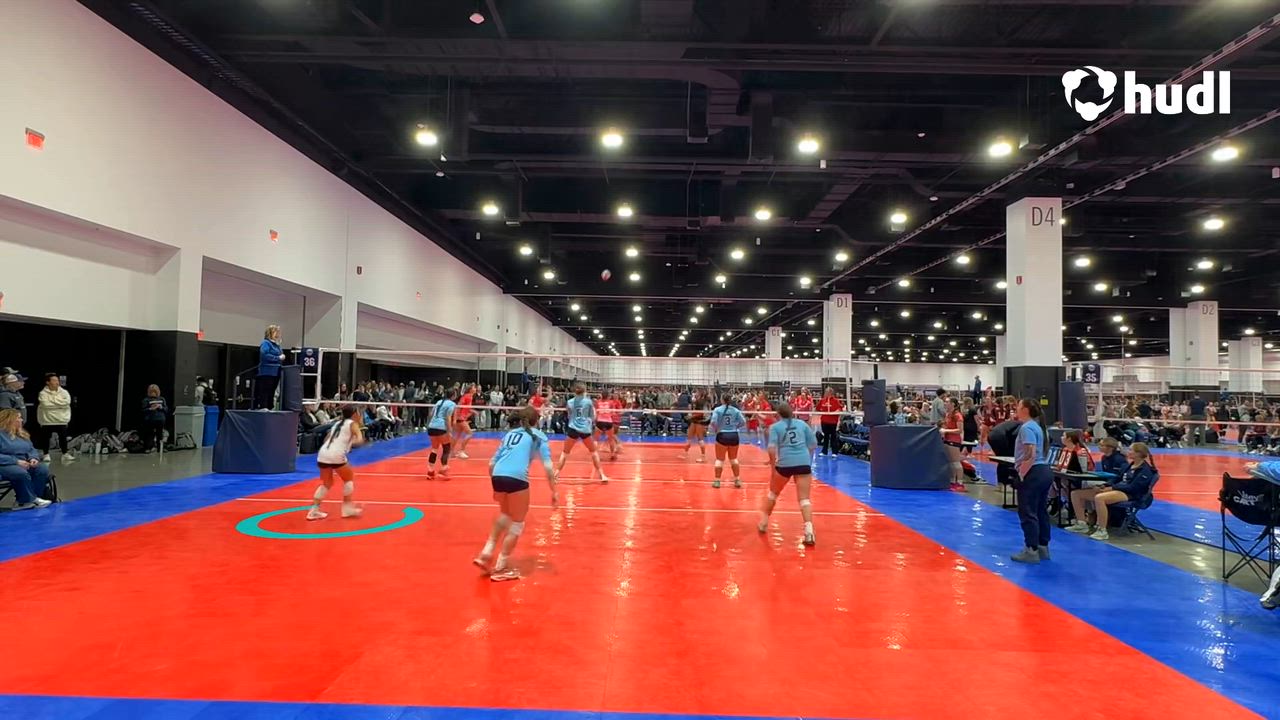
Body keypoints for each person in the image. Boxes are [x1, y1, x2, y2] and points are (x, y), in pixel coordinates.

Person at [474, 405, 558, 582]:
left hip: (497, 475)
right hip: (517, 478)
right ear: (536, 421)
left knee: (505, 514)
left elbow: (491, 463)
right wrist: (554, 491)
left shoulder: (510, 434)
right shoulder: (538, 436)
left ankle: (486, 552)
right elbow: (549, 467)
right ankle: (501, 567)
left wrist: (495, 486)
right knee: (517, 523)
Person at [1066, 442, 1157, 541]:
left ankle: (1102, 530)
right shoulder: (1130, 465)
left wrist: (1112, 488)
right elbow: (1117, 478)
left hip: (1131, 494)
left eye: (1131, 450)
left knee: (1099, 498)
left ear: (1138, 453)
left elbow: (1133, 488)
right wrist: (1104, 485)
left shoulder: (1145, 470)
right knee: (1076, 494)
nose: (1128, 451)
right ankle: (1082, 523)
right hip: (1119, 489)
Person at [760, 401, 819, 545]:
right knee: (804, 499)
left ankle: (763, 523)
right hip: (803, 463)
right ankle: (809, 532)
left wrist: (773, 467)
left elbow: (771, 448)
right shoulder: (802, 424)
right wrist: (805, 456)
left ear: (778, 414)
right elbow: (813, 444)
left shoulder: (775, 427)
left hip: (785, 464)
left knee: (773, 493)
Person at [1011, 398, 1053, 564]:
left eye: (1019, 406)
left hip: (1033, 472)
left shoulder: (1027, 428)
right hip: (1044, 470)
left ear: (1025, 409)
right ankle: (1043, 547)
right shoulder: (1040, 427)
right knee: (1041, 510)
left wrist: (1022, 473)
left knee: (1027, 511)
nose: (1016, 408)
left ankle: (1031, 549)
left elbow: (1030, 453)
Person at [307, 406, 365, 521]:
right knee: (348, 478)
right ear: (354, 414)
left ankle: (313, 511)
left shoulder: (337, 424)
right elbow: (359, 440)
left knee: (326, 483)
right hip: (336, 454)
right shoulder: (353, 424)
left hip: (323, 453)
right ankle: (347, 508)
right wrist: (349, 444)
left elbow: (326, 439)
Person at [0, 409, 52, 510]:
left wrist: (33, 458)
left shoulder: (22, 434)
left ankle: (34, 498)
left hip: (23, 462)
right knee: (20, 472)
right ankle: (25, 501)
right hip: (5, 464)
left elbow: (31, 449)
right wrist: (16, 461)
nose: (22, 420)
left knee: (41, 469)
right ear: (9, 420)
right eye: (19, 418)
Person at [556, 384, 609, 483]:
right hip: (585, 429)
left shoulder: (569, 402)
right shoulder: (588, 402)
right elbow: (592, 417)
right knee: (593, 452)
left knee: (565, 453)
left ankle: (556, 475)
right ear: (584, 391)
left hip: (573, 429)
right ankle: (602, 475)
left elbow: (569, 415)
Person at [708, 393, 747, 489]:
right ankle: (737, 480)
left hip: (722, 435)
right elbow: (743, 422)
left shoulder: (717, 410)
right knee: (733, 459)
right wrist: (736, 427)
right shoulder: (736, 410)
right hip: (734, 435)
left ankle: (717, 481)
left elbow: (713, 422)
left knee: (720, 459)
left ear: (722, 399)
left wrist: (716, 429)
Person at [36, 373, 75, 463]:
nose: (57, 382)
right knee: (46, 438)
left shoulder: (64, 392)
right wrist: (60, 404)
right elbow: (45, 404)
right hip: (47, 420)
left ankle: (65, 453)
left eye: (57, 380)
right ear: (48, 382)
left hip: (61, 419)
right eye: (54, 380)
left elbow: (67, 403)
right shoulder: (43, 393)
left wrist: (52, 400)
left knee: (63, 438)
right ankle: (46, 454)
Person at [426, 388, 457, 478]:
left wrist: (430, 424)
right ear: (453, 396)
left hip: (431, 427)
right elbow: (448, 418)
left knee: (434, 449)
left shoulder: (439, 402)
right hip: (441, 427)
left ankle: (430, 470)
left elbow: (431, 414)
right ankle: (444, 469)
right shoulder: (452, 404)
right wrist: (450, 431)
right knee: (446, 448)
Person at [254, 325, 284, 410]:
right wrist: (277, 358)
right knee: (265, 391)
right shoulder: (266, 343)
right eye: (276, 332)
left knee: (272, 391)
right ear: (270, 333)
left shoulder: (277, 345)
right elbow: (264, 355)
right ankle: (264, 407)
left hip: (276, 372)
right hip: (267, 372)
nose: (278, 334)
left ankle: (270, 408)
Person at [941, 397, 966, 491]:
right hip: (947, 440)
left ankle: (960, 483)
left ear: (953, 404)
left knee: (956, 462)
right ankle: (952, 481)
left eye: (947, 402)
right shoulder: (948, 414)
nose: (945, 403)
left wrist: (946, 430)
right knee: (951, 463)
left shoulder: (957, 415)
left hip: (954, 441)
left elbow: (960, 430)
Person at [682, 389, 711, 462]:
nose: (695, 393)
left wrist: (691, 416)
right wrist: (691, 415)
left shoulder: (702, 402)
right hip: (694, 421)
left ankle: (703, 456)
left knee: (700, 438)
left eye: (697, 392)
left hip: (700, 421)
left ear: (701, 394)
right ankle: (685, 453)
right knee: (689, 436)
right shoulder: (697, 401)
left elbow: (701, 413)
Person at [816, 386, 845, 458]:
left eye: (827, 392)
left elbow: (840, 409)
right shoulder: (823, 400)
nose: (825, 393)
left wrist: (836, 412)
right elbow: (817, 408)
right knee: (825, 436)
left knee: (833, 437)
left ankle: (834, 452)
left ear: (830, 393)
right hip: (824, 421)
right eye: (825, 391)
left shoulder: (835, 400)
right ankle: (824, 451)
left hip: (832, 422)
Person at [595, 389, 621, 460]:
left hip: (600, 421)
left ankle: (595, 455)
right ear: (608, 396)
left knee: (596, 440)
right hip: (608, 422)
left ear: (601, 395)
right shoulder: (611, 402)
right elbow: (613, 413)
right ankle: (612, 455)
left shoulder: (597, 402)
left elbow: (596, 412)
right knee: (611, 439)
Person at [141, 384, 168, 452]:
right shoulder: (146, 400)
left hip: (160, 419)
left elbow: (166, 409)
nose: (153, 393)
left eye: (155, 391)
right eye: (151, 391)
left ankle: (160, 448)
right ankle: (148, 448)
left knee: (160, 434)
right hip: (149, 419)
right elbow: (143, 410)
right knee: (149, 434)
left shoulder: (162, 399)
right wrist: (151, 408)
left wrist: (160, 407)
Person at [454, 384, 476, 459]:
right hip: (460, 418)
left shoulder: (470, 396)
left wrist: (472, 411)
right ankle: (461, 451)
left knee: (457, 435)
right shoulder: (467, 396)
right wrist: (457, 417)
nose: (475, 388)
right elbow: (459, 406)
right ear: (470, 389)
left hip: (462, 418)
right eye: (474, 387)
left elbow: (466, 408)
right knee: (469, 433)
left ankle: (450, 451)